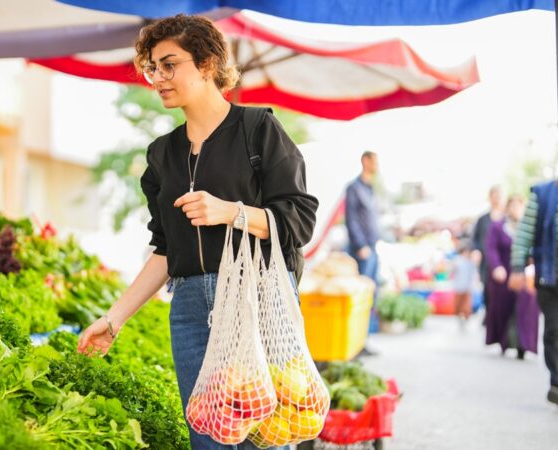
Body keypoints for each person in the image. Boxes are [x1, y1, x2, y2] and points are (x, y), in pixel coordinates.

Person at [75, 15, 319, 449]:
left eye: (170, 65)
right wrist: (115, 319)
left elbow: (299, 220)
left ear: (206, 64)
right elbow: (166, 249)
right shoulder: (161, 155)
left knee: (264, 438)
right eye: (152, 68)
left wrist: (231, 212)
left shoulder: (258, 130)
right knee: (209, 439)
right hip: (188, 309)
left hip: (255, 298)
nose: (158, 78)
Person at [509, 180, 558, 406]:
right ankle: (557, 382)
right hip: (549, 277)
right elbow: (524, 234)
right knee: (554, 330)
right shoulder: (543, 193)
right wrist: (518, 268)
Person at [485, 196, 539, 360]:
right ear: (507, 208)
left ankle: (524, 345)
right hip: (504, 274)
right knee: (504, 309)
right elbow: (491, 247)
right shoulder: (498, 226)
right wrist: (496, 267)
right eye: (512, 206)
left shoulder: (529, 227)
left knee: (526, 311)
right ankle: (504, 341)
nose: (515, 209)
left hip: (526, 275)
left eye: (518, 206)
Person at [345, 151, 381, 345]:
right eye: (374, 161)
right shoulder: (354, 188)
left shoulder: (370, 188)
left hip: (373, 247)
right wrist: (360, 245)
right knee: (360, 297)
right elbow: (351, 219)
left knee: (371, 295)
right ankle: (357, 342)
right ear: (365, 161)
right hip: (362, 249)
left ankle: (364, 339)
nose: (377, 165)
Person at [473, 186, 505, 324]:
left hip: (503, 261)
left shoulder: (506, 218)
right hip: (486, 262)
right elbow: (475, 239)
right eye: (494, 195)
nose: (496, 198)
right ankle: (490, 314)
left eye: (499, 195)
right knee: (487, 288)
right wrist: (476, 251)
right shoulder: (482, 219)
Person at [451, 240, 477, 329]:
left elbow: (473, 273)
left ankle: (465, 318)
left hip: (467, 287)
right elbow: (453, 271)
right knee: (457, 305)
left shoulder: (470, 262)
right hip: (458, 287)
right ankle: (459, 317)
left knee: (466, 306)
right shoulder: (457, 260)